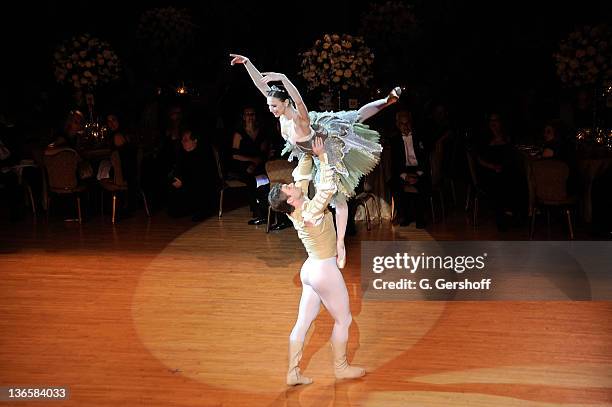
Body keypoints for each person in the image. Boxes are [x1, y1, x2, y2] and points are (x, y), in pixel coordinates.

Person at [230, 53, 400, 268]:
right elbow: (261, 87)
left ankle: (340, 245)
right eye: (270, 106)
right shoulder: (282, 114)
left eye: (274, 106)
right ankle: (339, 243)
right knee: (332, 196)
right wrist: (247, 63)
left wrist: (283, 77)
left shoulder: (300, 120)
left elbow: (299, 100)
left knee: (338, 195)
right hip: (310, 153)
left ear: (285, 103)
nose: (271, 110)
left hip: (325, 147)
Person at [268, 137, 365, 386]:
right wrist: (323, 157)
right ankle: (341, 368)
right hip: (323, 270)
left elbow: (302, 176)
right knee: (344, 320)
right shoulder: (310, 212)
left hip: (310, 269)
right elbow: (326, 189)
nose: (291, 184)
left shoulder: (295, 209)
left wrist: (308, 150)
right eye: (289, 188)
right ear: (290, 200)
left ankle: (292, 373)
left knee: (303, 321)